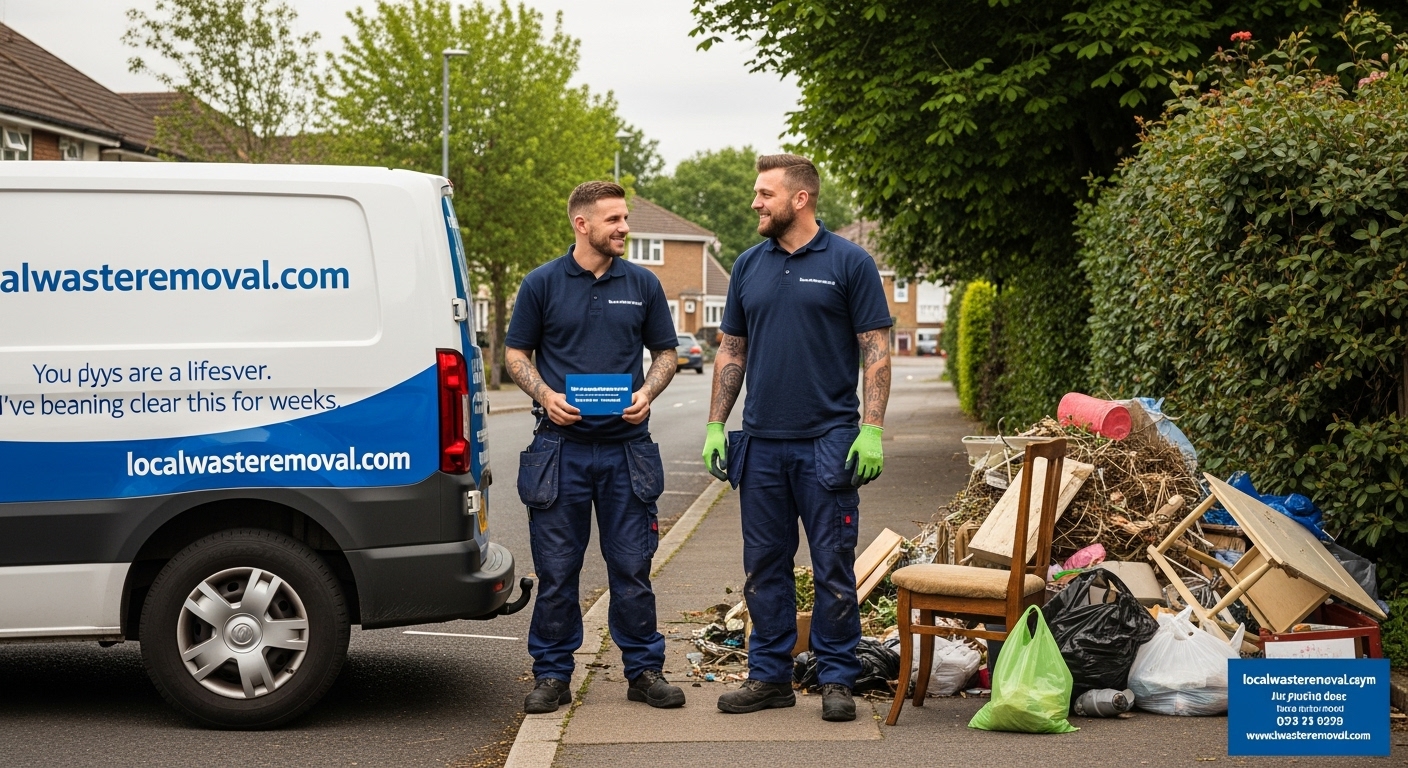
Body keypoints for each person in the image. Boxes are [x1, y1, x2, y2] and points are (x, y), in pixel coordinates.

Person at [701, 154, 891, 722]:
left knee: (833, 566)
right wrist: (716, 423)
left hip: (828, 442)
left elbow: (875, 351)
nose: (755, 203)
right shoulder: (747, 266)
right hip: (761, 444)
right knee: (764, 567)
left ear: (800, 198)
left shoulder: (850, 262)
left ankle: (836, 678)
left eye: (765, 194)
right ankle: (769, 678)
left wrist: (871, 429)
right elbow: (732, 350)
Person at [506, 181, 685, 714]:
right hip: (560, 450)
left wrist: (647, 393)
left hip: (627, 450)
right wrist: (545, 395)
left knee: (632, 567)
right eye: (614, 220)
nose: (624, 228)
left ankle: (644, 671)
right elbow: (516, 354)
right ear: (581, 224)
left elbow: (666, 353)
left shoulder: (644, 283)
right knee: (557, 571)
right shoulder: (541, 283)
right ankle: (552, 674)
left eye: (625, 218)